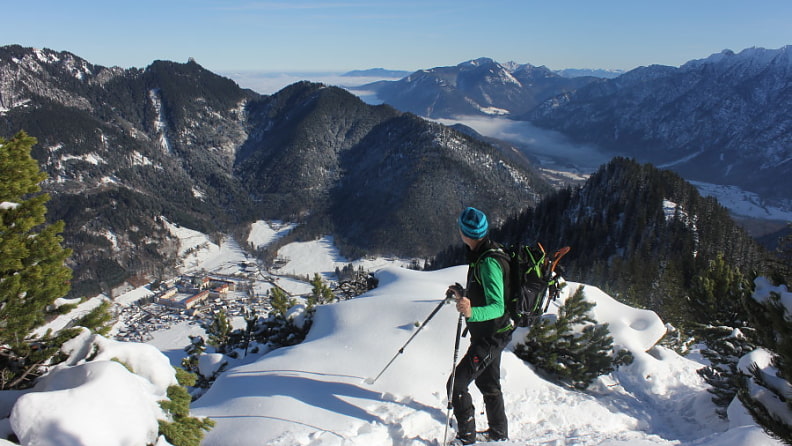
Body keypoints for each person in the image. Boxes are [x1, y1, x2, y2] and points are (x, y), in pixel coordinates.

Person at [446, 207, 512, 445]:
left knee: (456, 384)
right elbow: (486, 293)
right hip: (494, 332)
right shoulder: (484, 252)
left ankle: (466, 439)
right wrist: (464, 294)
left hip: (490, 336)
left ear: (465, 233)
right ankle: (498, 433)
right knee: (488, 382)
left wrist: (472, 311)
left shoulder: (488, 263)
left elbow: (498, 306)